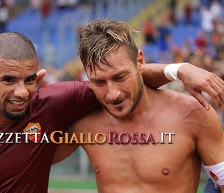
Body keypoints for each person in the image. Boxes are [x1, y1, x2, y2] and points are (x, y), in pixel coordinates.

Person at [0, 32, 223, 193]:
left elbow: (126, 79)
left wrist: (178, 69)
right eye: (8, 80)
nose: (20, 92)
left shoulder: (192, 113)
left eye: (29, 80)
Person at [53, 19, 224, 192]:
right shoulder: (83, 123)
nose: (113, 94)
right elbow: (30, 160)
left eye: (120, 77)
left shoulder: (192, 114)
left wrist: (179, 69)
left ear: (140, 62)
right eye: (98, 82)